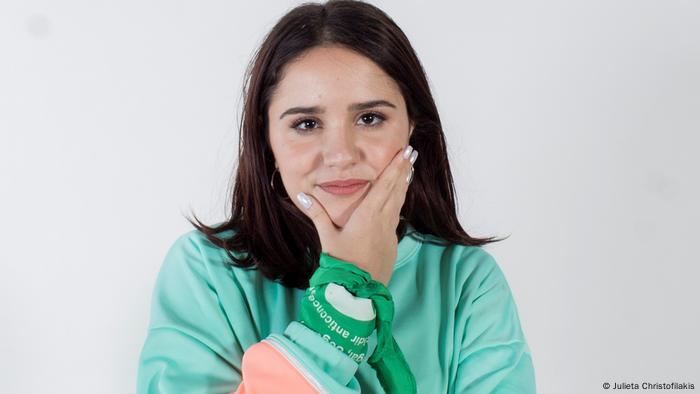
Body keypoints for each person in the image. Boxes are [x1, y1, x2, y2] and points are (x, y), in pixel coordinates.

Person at [136, 0, 537, 392]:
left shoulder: (466, 281)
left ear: (412, 127)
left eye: (370, 118)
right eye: (307, 123)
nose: (341, 154)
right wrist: (343, 307)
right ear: (266, 138)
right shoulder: (206, 274)